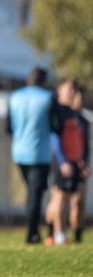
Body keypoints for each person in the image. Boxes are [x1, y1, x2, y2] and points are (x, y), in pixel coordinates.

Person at [6, 67, 55, 244]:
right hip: (40, 154)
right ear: (44, 82)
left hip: (19, 153)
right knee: (36, 194)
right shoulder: (48, 97)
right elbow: (57, 126)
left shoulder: (14, 97)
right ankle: (32, 233)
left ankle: (34, 230)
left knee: (33, 192)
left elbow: (9, 127)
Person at [44, 78, 87, 245]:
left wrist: (81, 161)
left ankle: (56, 233)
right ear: (59, 90)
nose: (72, 92)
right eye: (69, 89)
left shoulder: (71, 112)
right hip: (62, 161)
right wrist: (62, 161)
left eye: (73, 90)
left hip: (73, 161)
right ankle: (58, 234)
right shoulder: (57, 110)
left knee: (65, 198)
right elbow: (55, 138)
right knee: (60, 197)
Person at [68, 85, 90, 242]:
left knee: (79, 200)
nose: (80, 101)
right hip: (66, 164)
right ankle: (54, 231)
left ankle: (77, 235)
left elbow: (86, 145)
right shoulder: (65, 117)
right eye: (77, 97)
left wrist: (86, 164)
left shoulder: (84, 121)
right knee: (61, 200)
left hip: (80, 165)